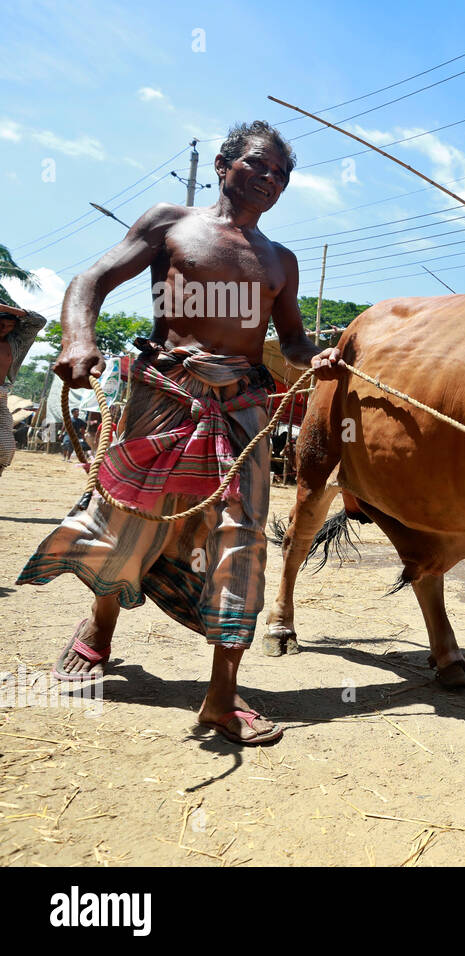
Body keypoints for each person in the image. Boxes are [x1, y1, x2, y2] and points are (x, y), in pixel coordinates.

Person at [18, 121, 344, 746]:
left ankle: (221, 697)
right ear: (224, 164)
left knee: (241, 539)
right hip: (164, 395)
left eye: (282, 176)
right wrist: (79, 338)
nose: (271, 182)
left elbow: (295, 339)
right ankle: (99, 628)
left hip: (242, 408)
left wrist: (316, 356)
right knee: (131, 517)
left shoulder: (281, 260)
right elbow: (91, 281)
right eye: (259, 166)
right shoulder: (170, 223)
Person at [0, 315, 15, 476]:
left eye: (9, 326)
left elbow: (38, 321)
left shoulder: (12, 344)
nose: (4, 329)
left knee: (7, 446)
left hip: (2, 394)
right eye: (1, 324)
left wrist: (4, 309)